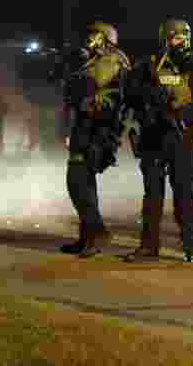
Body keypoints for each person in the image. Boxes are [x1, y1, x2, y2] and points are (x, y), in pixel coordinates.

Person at [124, 19, 193, 264]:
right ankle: (148, 247)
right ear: (165, 39)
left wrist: (181, 117)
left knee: (184, 194)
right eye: (176, 37)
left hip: (181, 138)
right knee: (152, 195)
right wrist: (148, 96)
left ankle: (192, 248)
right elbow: (129, 92)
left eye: (185, 37)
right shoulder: (149, 65)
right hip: (153, 137)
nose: (181, 42)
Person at [59, 22, 131, 258]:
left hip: (99, 127)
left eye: (94, 35)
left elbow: (89, 84)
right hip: (88, 124)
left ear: (105, 39)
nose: (89, 39)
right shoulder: (93, 60)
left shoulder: (112, 59)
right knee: (83, 180)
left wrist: (74, 76)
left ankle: (97, 232)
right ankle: (87, 237)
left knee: (77, 180)